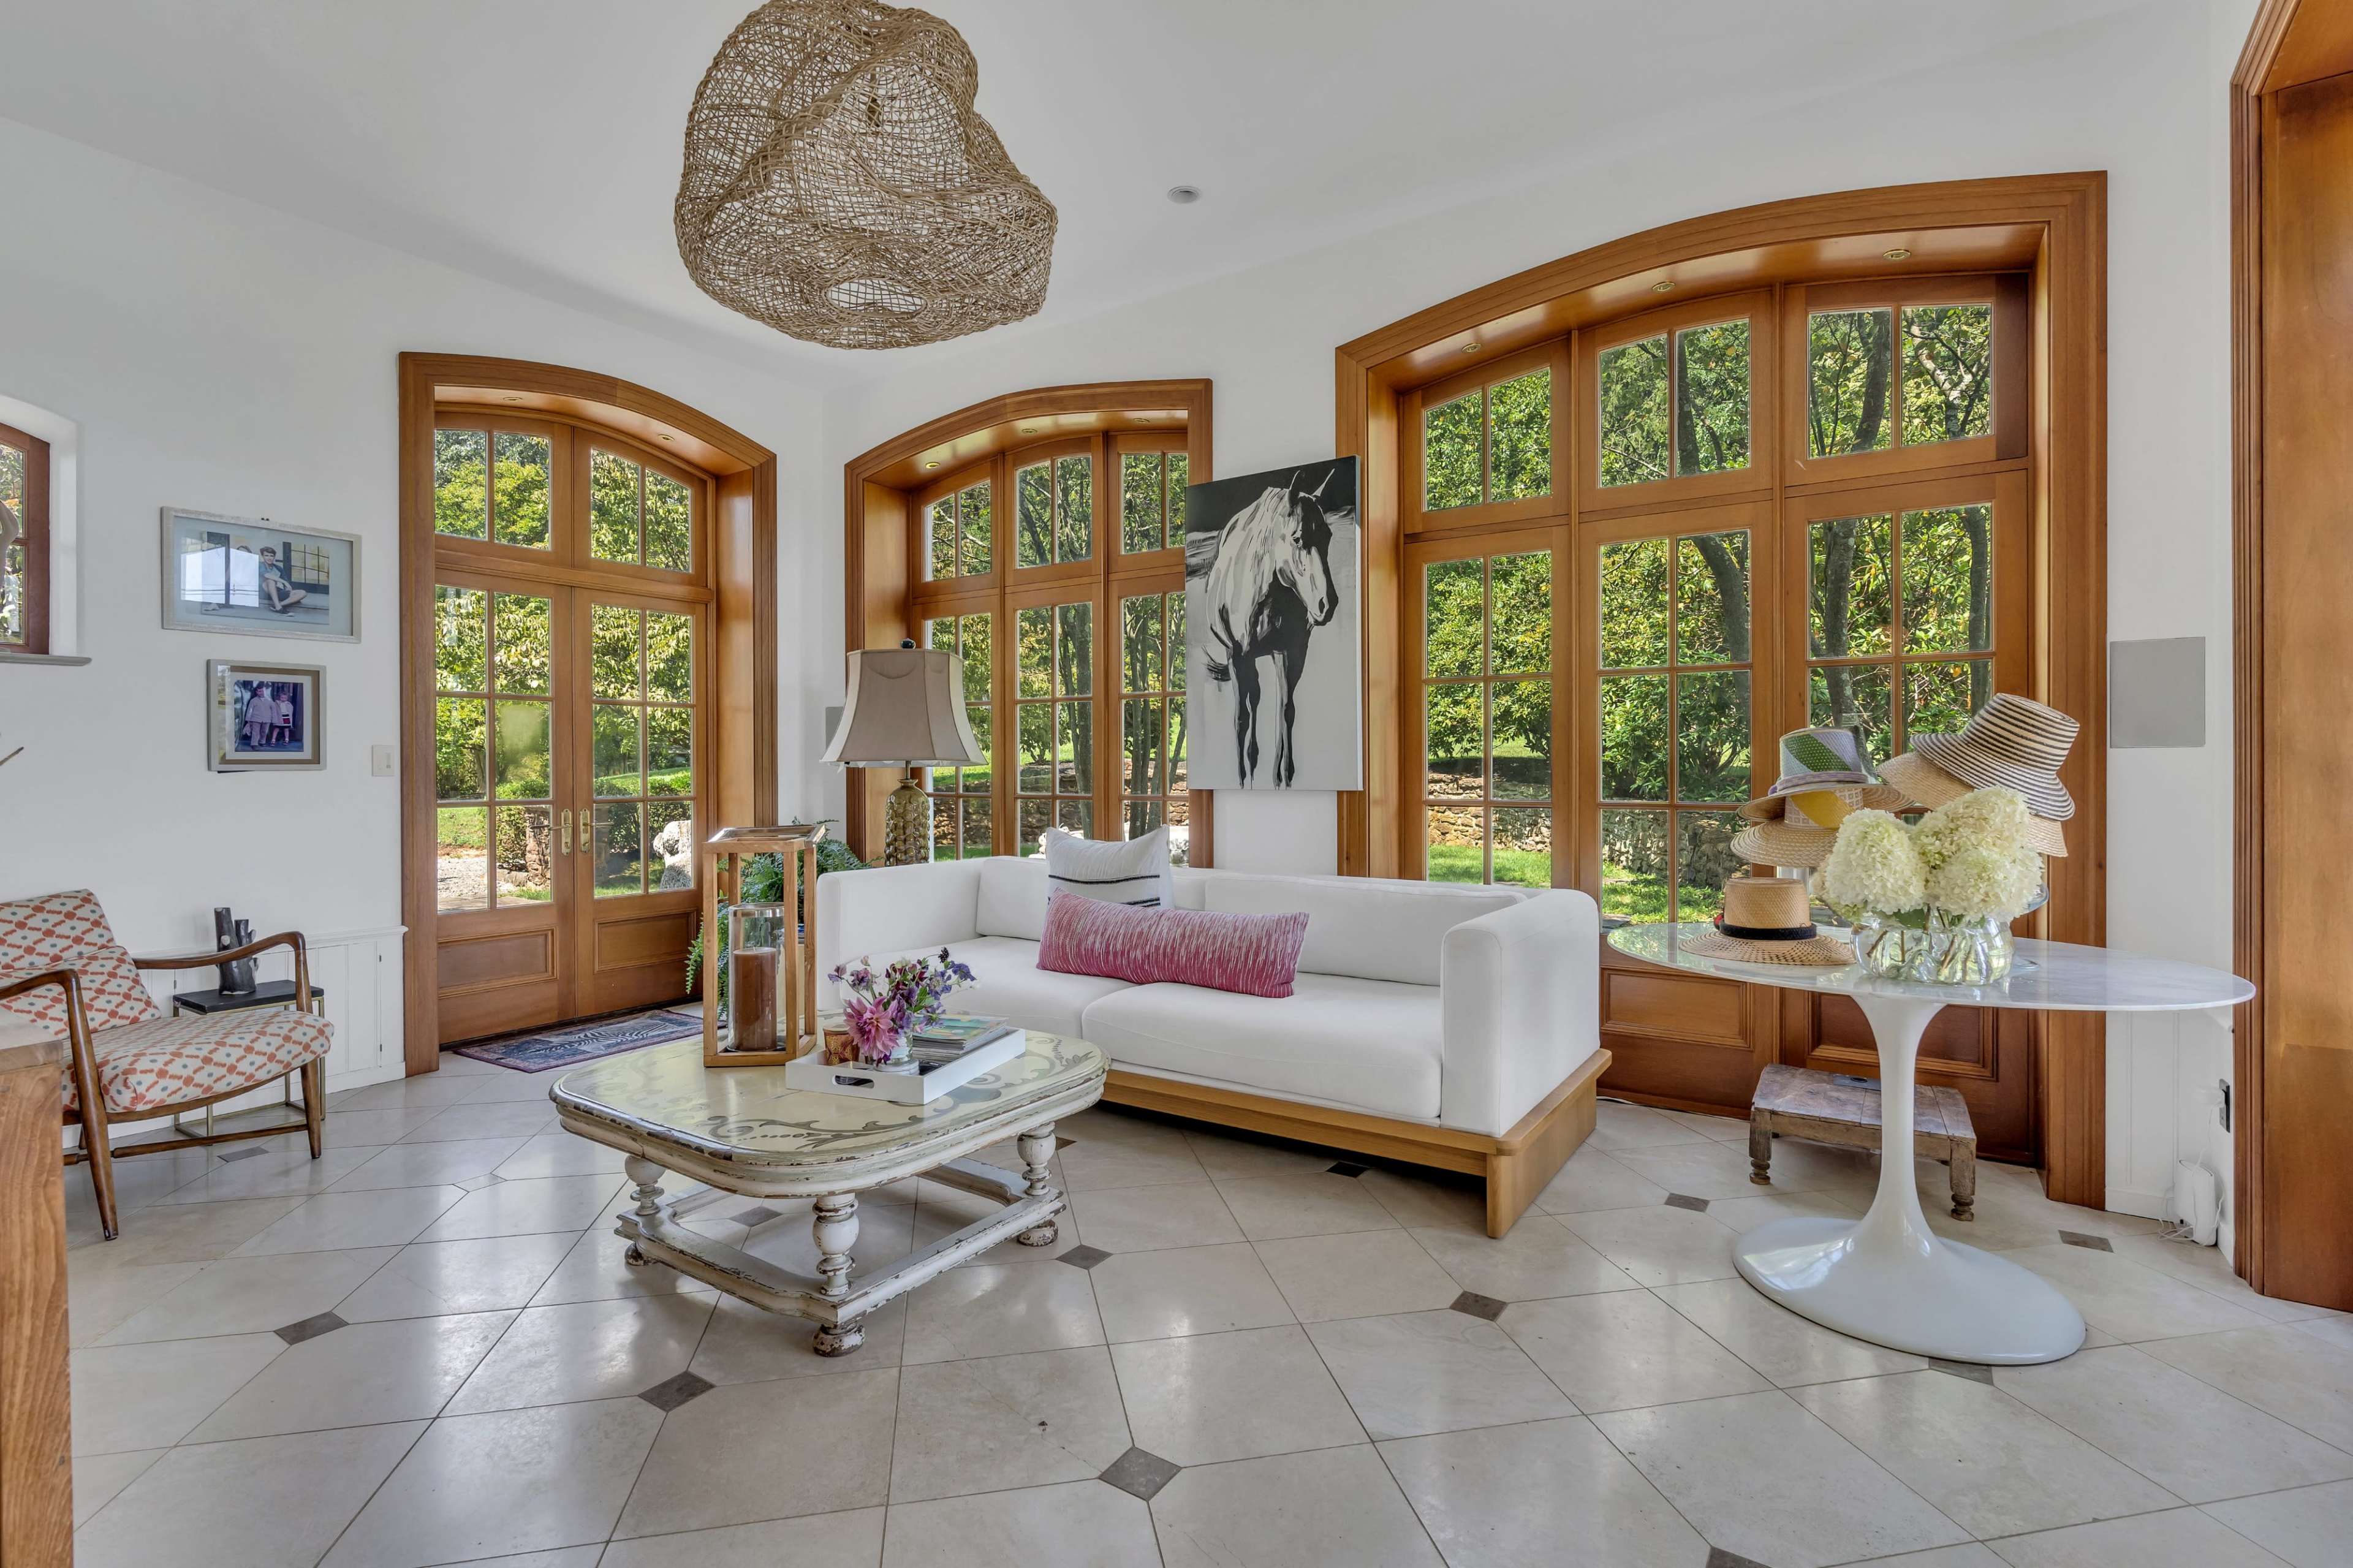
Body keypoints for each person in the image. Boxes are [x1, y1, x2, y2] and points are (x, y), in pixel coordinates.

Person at [257, 547, 309, 614]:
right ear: (263, 557)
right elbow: (267, 575)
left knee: (303, 593)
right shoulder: (260, 565)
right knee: (270, 581)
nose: (269, 558)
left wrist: (287, 587)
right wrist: (284, 582)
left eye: (271, 556)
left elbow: (286, 582)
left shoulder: (278, 568)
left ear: (274, 557)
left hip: (276, 592)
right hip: (263, 592)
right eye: (266, 556)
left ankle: (277, 606)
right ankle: (279, 608)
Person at [241, 683, 278, 750]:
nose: (261, 693)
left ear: (266, 691)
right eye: (259, 691)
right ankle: (254, 744)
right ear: (257, 692)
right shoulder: (253, 701)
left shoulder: (270, 701)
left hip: (267, 719)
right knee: (256, 732)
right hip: (255, 719)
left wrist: (275, 720)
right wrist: (248, 720)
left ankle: (262, 742)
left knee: (264, 731)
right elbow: (250, 710)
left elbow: (274, 711)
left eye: (263, 691)